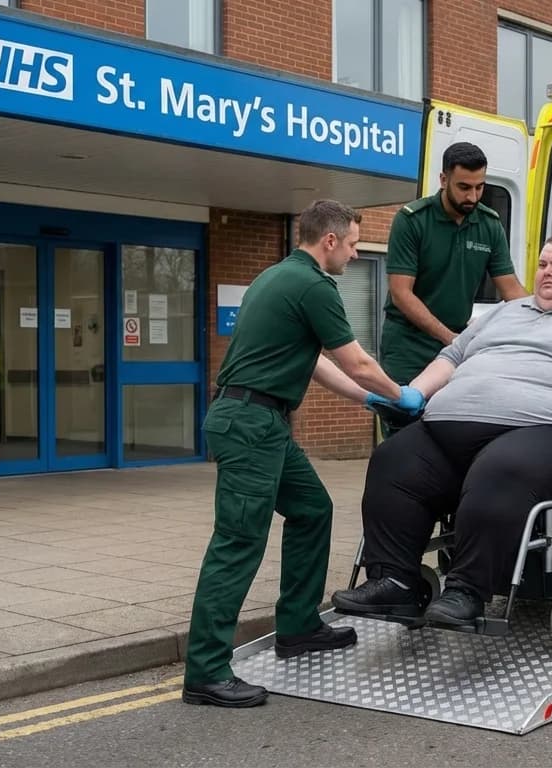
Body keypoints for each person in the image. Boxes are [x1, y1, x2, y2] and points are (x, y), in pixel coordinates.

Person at [332, 233, 552, 626]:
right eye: (543, 264)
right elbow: (453, 356)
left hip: (545, 430)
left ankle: (467, 591)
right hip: (447, 428)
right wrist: (414, 392)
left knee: (498, 470)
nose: (547, 273)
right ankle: (394, 583)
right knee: (393, 461)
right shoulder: (505, 311)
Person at [182, 200, 423, 708]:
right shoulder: (314, 285)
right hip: (251, 425)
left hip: (258, 420)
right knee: (238, 543)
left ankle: (298, 626)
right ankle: (205, 671)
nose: (357, 254)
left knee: (313, 509)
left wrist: (371, 399)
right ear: (329, 241)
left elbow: (314, 361)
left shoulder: (275, 278)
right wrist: (402, 396)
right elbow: (355, 359)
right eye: (355, 244)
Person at [378, 142, 529, 402]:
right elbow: (401, 294)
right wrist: (451, 338)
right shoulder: (412, 220)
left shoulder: (489, 224)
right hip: (408, 346)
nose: (472, 196)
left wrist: (547, 319)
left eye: (479, 187)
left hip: (455, 344)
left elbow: (511, 290)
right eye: (464, 187)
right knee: (405, 426)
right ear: (443, 179)